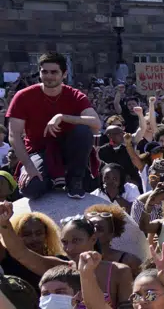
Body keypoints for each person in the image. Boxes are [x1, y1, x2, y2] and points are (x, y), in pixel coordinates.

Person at [5, 52, 101, 200]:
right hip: (38, 151)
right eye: (45, 72)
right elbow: (14, 135)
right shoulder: (23, 96)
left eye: (54, 72)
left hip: (70, 150)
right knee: (30, 189)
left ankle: (75, 179)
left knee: (83, 129)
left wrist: (62, 117)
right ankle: (53, 179)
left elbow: (96, 123)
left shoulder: (75, 95)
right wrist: (29, 166)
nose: (49, 76)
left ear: (64, 74)